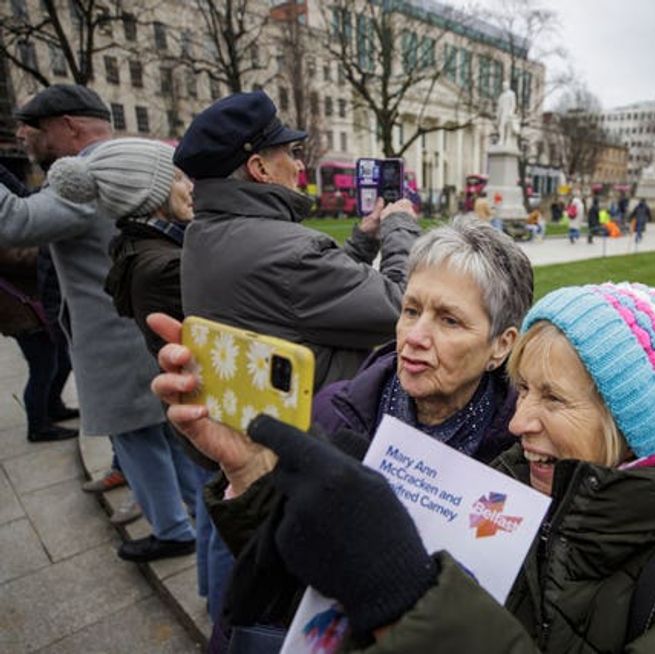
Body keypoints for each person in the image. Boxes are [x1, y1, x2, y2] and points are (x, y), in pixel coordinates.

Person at [234, 282, 655, 652]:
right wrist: (257, 480)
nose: (518, 423)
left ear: (633, 428)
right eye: (522, 391)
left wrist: (410, 602)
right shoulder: (505, 484)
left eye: (554, 399)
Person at [147, 216, 535, 647]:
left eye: (449, 321)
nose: (415, 336)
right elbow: (272, 562)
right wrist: (249, 477)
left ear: (501, 345)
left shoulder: (526, 455)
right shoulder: (333, 412)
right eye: (411, 310)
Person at [2, 84, 196, 562]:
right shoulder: (135, 160)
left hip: (115, 341)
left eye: (35, 131)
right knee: (172, 436)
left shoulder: (88, 176)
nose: (28, 141)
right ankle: (197, 516)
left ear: (67, 126)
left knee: (136, 439)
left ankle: (173, 530)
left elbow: (12, 222)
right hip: (142, 329)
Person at [47, 137, 233, 619]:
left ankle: (215, 599)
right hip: (208, 403)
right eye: (175, 177)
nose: (187, 186)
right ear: (147, 195)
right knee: (221, 509)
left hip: (190, 404)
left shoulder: (144, 246)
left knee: (210, 500)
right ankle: (222, 610)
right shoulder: (167, 264)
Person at [174, 91, 421, 390]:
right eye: (291, 153)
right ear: (260, 169)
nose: (299, 165)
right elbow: (403, 307)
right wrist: (399, 225)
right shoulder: (293, 253)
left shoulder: (201, 234)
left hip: (259, 413)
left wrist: (362, 241)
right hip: (325, 421)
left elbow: (304, 297)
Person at [0, 245, 76, 441]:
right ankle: (38, 427)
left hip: (33, 306)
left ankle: (53, 406)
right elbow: (18, 259)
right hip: (22, 314)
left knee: (62, 361)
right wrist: (52, 247)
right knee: (43, 369)